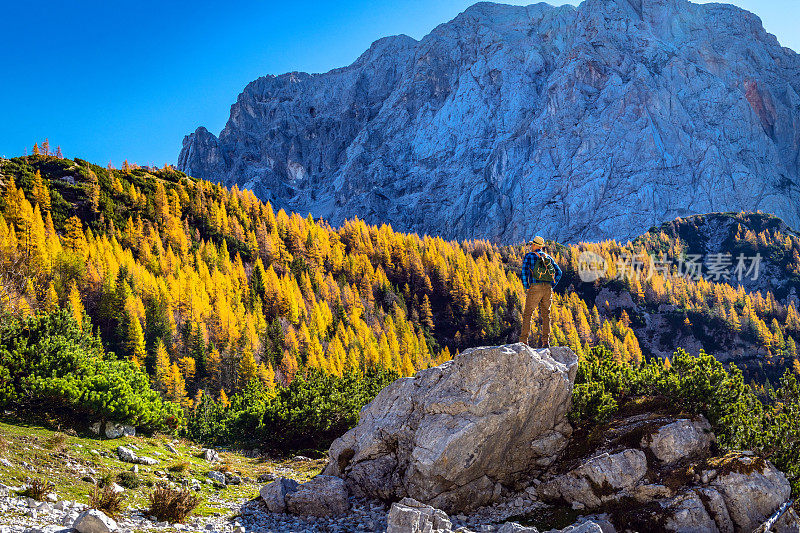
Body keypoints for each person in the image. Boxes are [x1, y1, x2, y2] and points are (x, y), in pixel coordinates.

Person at [519, 236, 562, 348]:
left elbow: (524, 272)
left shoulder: (529, 256)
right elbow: (559, 272)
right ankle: (545, 342)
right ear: (541, 246)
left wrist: (527, 286)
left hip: (535, 287)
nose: (531, 246)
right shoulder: (548, 257)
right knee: (546, 314)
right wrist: (552, 285)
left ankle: (523, 341)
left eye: (532, 244)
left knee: (528, 313)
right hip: (547, 288)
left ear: (534, 245)